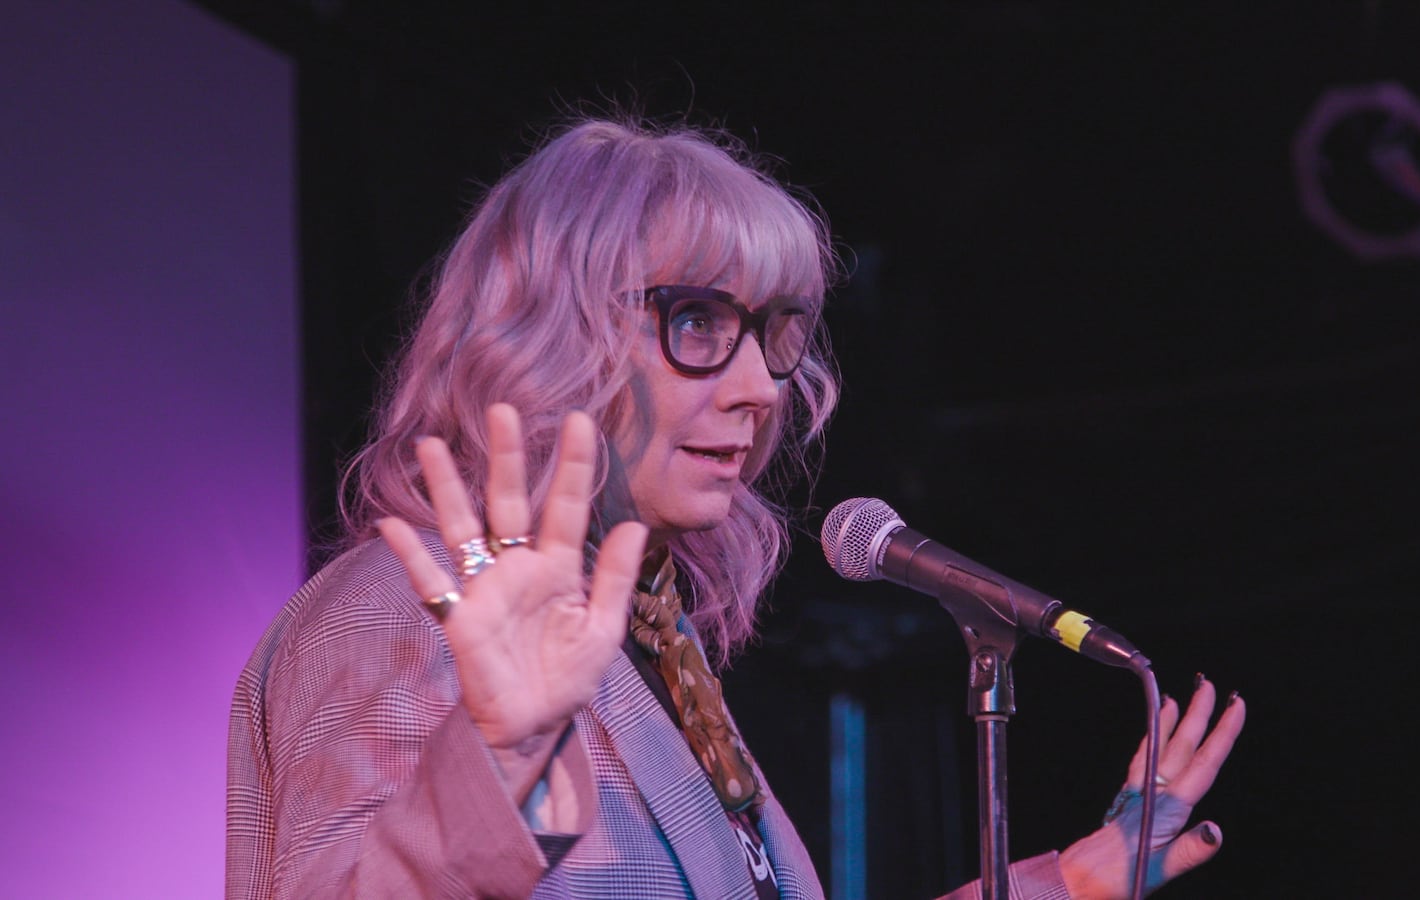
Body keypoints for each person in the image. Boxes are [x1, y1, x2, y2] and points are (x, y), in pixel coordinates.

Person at [226, 116, 1246, 899]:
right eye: (699, 321)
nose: (760, 386)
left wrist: (1062, 882)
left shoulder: (655, 655)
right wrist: (492, 766)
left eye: (776, 332)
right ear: (551, 335)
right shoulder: (403, 607)